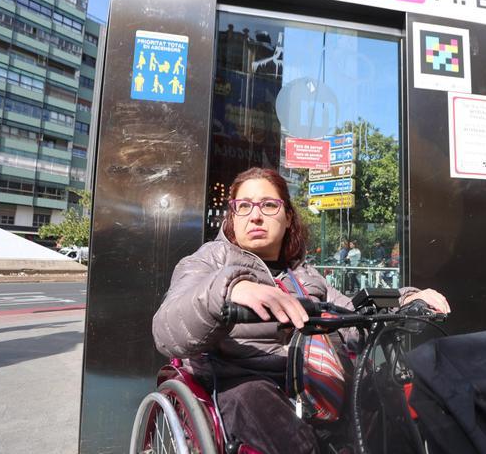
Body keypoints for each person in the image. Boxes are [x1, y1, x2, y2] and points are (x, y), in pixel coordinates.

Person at [152, 167, 450, 453]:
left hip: (313, 383)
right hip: (240, 379)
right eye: (243, 206)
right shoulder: (208, 261)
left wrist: (406, 300)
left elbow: (348, 313)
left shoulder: (305, 275)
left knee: (388, 399)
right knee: (255, 400)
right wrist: (228, 289)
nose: (255, 215)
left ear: (287, 217)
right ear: (232, 217)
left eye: (268, 205)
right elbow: (168, 329)